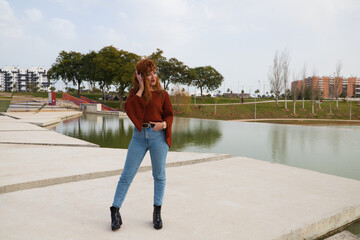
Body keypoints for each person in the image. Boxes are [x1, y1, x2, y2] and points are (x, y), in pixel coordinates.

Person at [110, 59, 173, 231]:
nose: (153, 76)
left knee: (159, 176)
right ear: (140, 76)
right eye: (148, 74)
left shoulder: (163, 94)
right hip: (138, 137)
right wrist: (141, 89)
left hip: (158, 137)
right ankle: (115, 211)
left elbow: (169, 115)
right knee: (126, 175)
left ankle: (157, 212)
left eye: (154, 72)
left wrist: (164, 125)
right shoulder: (135, 93)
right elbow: (130, 110)